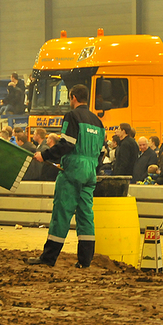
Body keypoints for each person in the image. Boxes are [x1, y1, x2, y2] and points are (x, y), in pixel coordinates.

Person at [27, 84, 106, 268]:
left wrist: (44, 155)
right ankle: (85, 261)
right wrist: (91, 166)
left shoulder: (72, 116)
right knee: (86, 216)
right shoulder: (98, 121)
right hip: (90, 172)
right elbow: (102, 152)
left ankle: (48, 259)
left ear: (73, 97)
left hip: (73, 170)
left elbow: (67, 144)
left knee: (61, 214)